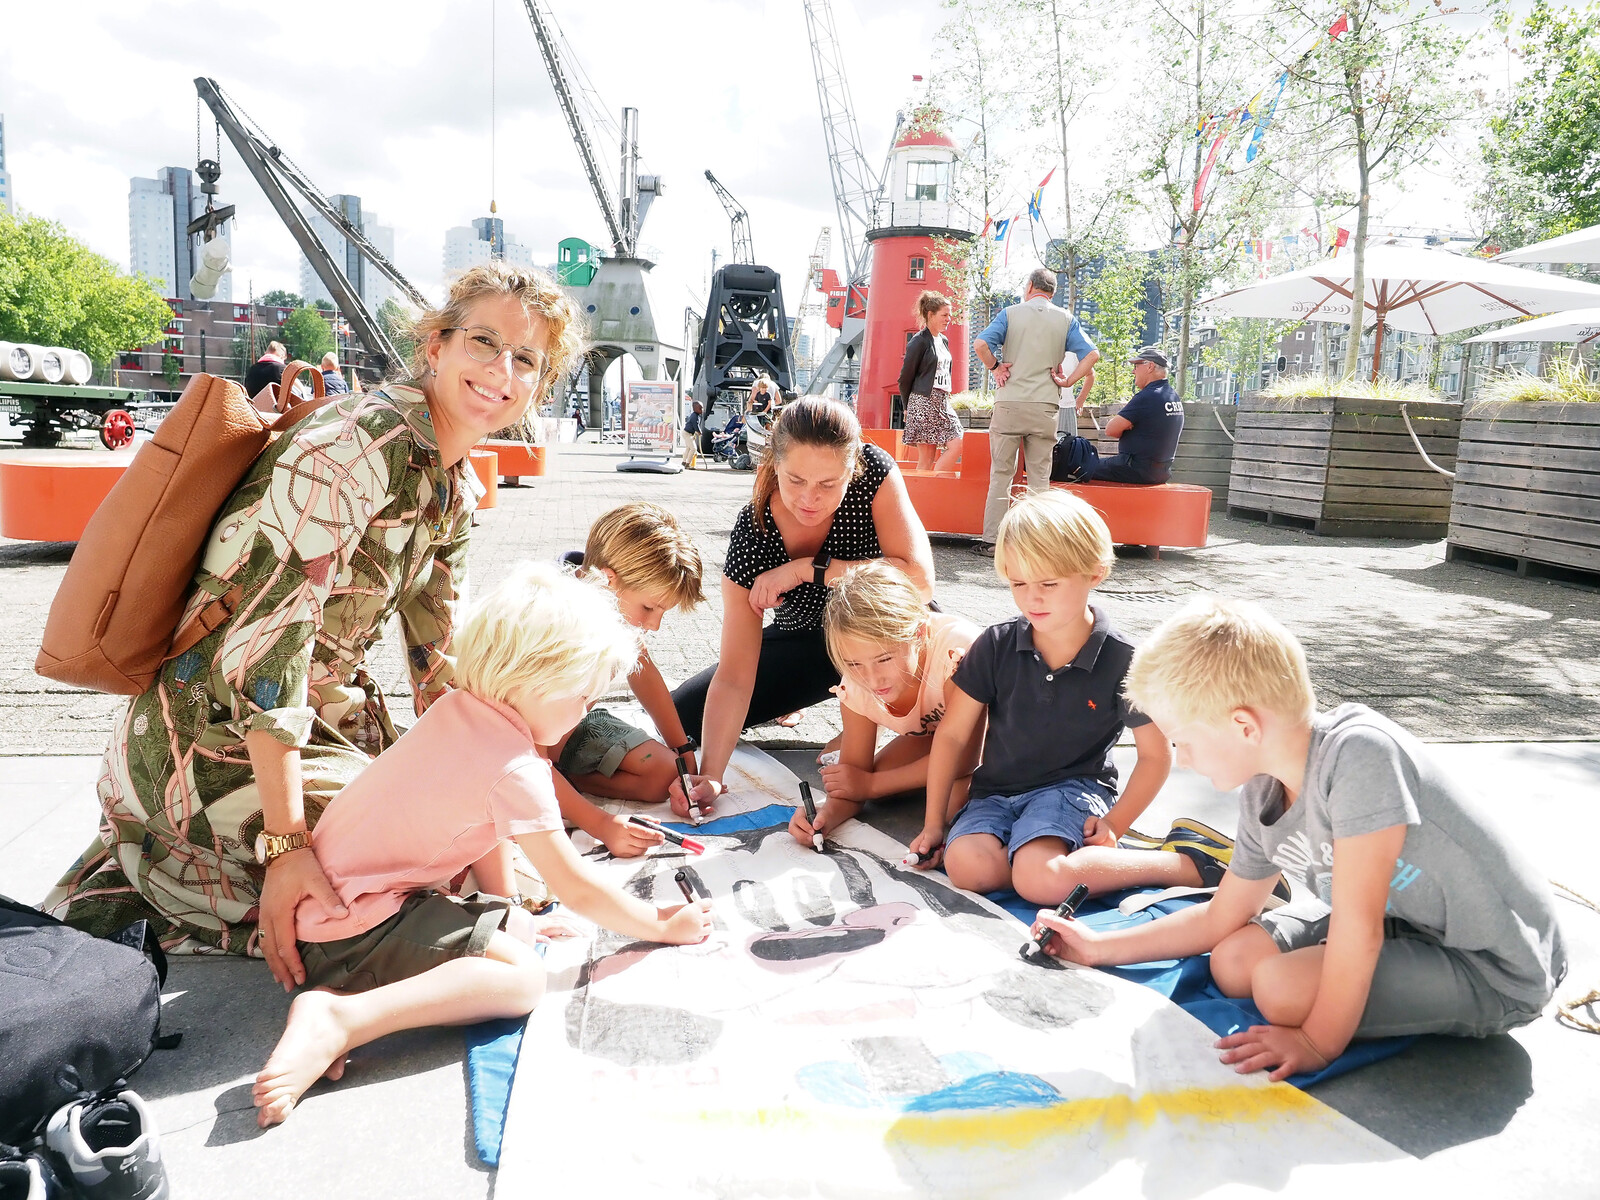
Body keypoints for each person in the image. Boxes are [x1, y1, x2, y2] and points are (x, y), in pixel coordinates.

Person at [46, 262, 585, 994]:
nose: (501, 370)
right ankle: (171, 876)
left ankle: (185, 876)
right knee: (363, 883)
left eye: (525, 359)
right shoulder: (358, 445)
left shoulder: (452, 481)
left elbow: (439, 661)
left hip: (315, 719)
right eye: (484, 342)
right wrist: (287, 844)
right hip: (209, 735)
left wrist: (497, 787)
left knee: (444, 847)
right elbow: (265, 652)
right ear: (435, 346)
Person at [252, 563, 714, 1126]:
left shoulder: (458, 711)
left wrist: (511, 908)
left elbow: (481, 829)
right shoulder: (517, 768)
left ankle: (354, 994)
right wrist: (660, 925)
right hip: (344, 935)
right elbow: (574, 884)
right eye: (584, 696)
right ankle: (343, 1017)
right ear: (535, 682)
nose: (587, 712)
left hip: (335, 909)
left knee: (518, 929)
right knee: (522, 979)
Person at [1033, 596, 1568, 1080]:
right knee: (1233, 960)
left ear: (1244, 726)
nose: (1184, 758)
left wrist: (1316, 1041)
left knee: (1279, 989)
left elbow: (1359, 930)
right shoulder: (1261, 788)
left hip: (1491, 964)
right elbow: (1222, 916)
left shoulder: (1361, 755)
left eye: (1184, 741)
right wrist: (1100, 948)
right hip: (1402, 916)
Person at [907, 491, 1176, 906]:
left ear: (1095, 572)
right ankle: (1045, 860)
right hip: (994, 792)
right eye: (1018, 583)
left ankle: (1178, 864)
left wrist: (1114, 825)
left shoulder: (1125, 660)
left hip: (1071, 788)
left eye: (1049, 583)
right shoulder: (994, 644)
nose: (1032, 597)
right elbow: (952, 736)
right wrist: (933, 825)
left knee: (1039, 879)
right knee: (967, 868)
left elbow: (1156, 755)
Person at [671, 399, 935, 817]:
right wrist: (714, 775)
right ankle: (858, 726)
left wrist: (806, 570)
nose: (810, 499)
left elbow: (919, 581)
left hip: (884, 635)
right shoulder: (753, 533)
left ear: (853, 470)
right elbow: (736, 674)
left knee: (948, 720)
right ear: (774, 465)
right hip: (810, 642)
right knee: (684, 715)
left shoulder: (877, 472)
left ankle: (873, 730)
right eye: (796, 480)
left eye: (829, 485)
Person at [789, 562, 982, 849]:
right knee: (876, 781)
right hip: (933, 738)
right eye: (854, 664)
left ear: (917, 634)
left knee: (953, 803)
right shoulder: (855, 681)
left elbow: (965, 757)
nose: (872, 678)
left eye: (883, 659)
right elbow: (853, 778)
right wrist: (822, 815)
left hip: (996, 741)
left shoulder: (957, 652)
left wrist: (871, 786)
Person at [554, 502, 705, 806]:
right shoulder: (556, 620)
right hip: (521, 738)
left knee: (666, 775)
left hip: (569, 732)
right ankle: (552, 781)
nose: (655, 624)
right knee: (529, 778)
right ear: (609, 579)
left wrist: (683, 752)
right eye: (649, 608)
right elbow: (531, 740)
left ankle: (560, 779)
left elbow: (643, 671)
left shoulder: (612, 603)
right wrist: (602, 825)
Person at [972, 267, 1100, 556]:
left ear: (1029, 286)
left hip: (1010, 403)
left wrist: (996, 367)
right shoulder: (1066, 320)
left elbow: (980, 344)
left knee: (1001, 473)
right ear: (1053, 292)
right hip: (1045, 406)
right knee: (1040, 477)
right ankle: (1037, 543)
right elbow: (1092, 355)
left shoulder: (1010, 313)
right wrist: (1068, 381)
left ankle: (993, 540)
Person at [1052, 347, 1184, 484]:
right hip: (1160, 472)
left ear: (1149, 366)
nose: (1133, 371)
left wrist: (1128, 427)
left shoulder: (1148, 396)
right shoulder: (1172, 396)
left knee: (1077, 467)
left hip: (1134, 468)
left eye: (1136, 366)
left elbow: (1111, 430)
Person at [898, 290, 964, 472]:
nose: (948, 318)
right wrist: (906, 407)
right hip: (923, 401)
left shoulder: (943, 340)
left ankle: (935, 485)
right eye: (944, 315)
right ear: (930, 315)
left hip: (942, 401)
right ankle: (927, 493)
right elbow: (905, 378)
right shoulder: (918, 342)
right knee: (926, 459)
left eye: (950, 315)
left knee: (957, 442)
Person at [682, 400, 703, 468]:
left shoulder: (695, 415)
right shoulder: (695, 416)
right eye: (700, 408)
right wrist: (699, 431)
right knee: (693, 449)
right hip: (688, 433)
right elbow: (695, 425)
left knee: (688, 448)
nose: (702, 410)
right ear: (695, 409)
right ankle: (688, 464)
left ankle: (684, 462)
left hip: (688, 433)